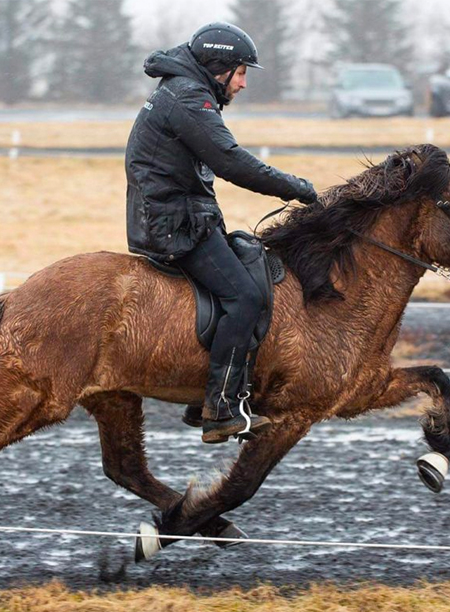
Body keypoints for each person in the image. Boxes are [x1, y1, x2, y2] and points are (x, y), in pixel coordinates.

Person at [125, 22, 317, 443]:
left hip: (180, 217)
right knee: (244, 296)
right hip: (174, 227)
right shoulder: (189, 99)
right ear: (218, 68)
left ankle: (203, 394)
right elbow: (233, 163)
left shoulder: (184, 91)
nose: (244, 83)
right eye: (242, 72)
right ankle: (221, 408)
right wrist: (300, 189)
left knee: (249, 264)